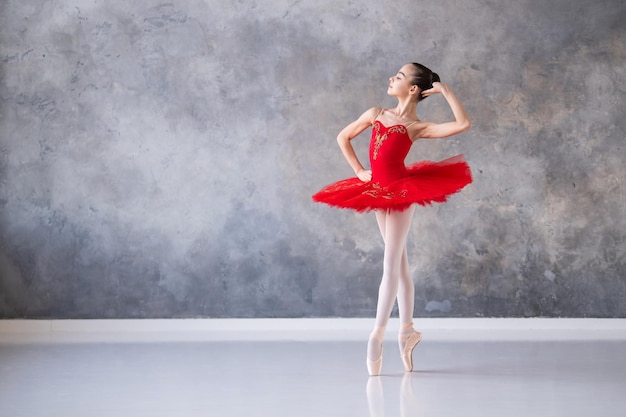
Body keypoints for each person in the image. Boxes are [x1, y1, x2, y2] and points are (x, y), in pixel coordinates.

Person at [312, 62, 472, 376]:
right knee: (400, 265)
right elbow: (343, 137)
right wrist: (359, 172)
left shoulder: (417, 127)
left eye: (398, 76)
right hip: (375, 191)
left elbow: (463, 124)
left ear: (413, 88)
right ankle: (407, 330)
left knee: (390, 264)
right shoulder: (376, 114)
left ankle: (377, 334)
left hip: (400, 193)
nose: (391, 78)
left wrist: (446, 91)